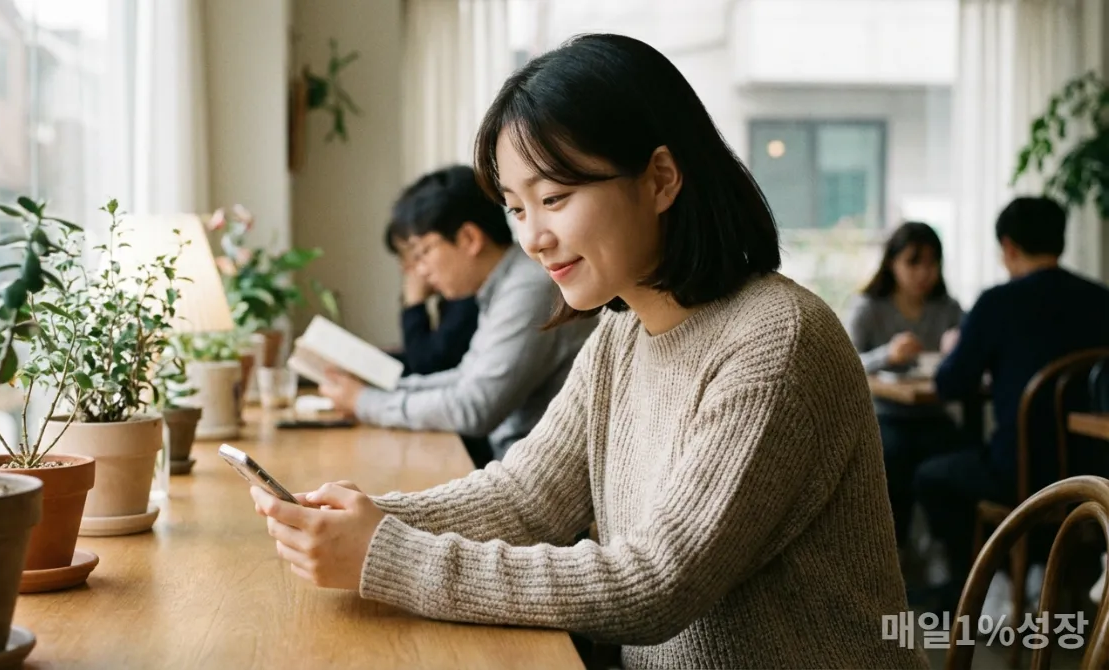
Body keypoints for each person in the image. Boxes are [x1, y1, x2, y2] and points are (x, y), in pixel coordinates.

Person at [253, 34, 924, 669]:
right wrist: (365, 517)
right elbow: (528, 498)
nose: (534, 238)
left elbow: (656, 582)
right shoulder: (622, 330)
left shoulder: (776, 344)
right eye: (516, 208)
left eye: (554, 198)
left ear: (661, 178)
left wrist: (391, 556)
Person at [318, 165, 595, 466]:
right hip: (508, 463)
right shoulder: (504, 283)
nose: (420, 270)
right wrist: (377, 389)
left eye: (423, 252)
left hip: (529, 474)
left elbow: (473, 408)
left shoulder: (529, 287)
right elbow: (465, 377)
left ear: (469, 238)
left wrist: (365, 402)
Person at [916, 196, 1109, 603]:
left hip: (1020, 472)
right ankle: (1040, 568)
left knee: (932, 476)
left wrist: (956, 349)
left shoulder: (997, 303)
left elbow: (950, 384)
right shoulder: (1100, 299)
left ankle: (987, 579)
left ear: (1008, 247)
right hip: (1093, 469)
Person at [846, 222, 964, 547]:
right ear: (892, 263)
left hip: (934, 415)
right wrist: (888, 354)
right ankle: (894, 554)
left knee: (960, 453)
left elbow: (969, 358)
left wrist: (959, 348)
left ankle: (952, 563)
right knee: (893, 457)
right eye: (914, 262)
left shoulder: (948, 308)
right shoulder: (869, 308)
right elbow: (845, 362)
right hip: (884, 416)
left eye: (932, 263)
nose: (924, 273)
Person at [382, 218, 479, 376]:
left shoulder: (467, 297)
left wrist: (414, 304)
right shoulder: (450, 299)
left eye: (420, 253)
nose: (404, 268)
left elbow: (428, 366)